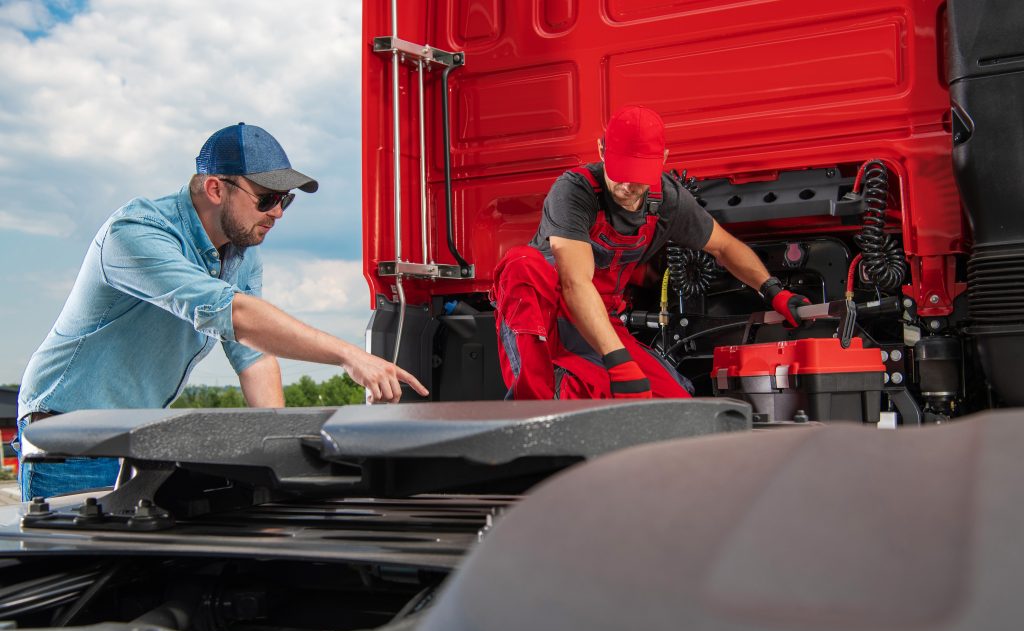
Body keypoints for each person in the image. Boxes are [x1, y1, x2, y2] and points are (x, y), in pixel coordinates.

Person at [16, 122, 428, 501]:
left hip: (131, 442)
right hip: (68, 442)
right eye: (266, 198)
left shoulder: (241, 251)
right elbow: (234, 315)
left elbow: (254, 355)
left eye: (285, 200)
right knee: (83, 574)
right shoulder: (136, 234)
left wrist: (280, 457)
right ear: (215, 189)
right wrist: (349, 354)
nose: (278, 213)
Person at [492, 105, 809, 400]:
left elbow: (724, 246)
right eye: (621, 171)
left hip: (600, 321)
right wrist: (616, 361)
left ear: (664, 160)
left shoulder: (668, 199)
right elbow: (575, 284)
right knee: (522, 264)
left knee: (674, 406)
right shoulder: (575, 192)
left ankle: (579, 391)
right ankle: (536, 406)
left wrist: (773, 291)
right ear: (602, 151)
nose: (628, 186)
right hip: (547, 316)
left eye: (639, 175)